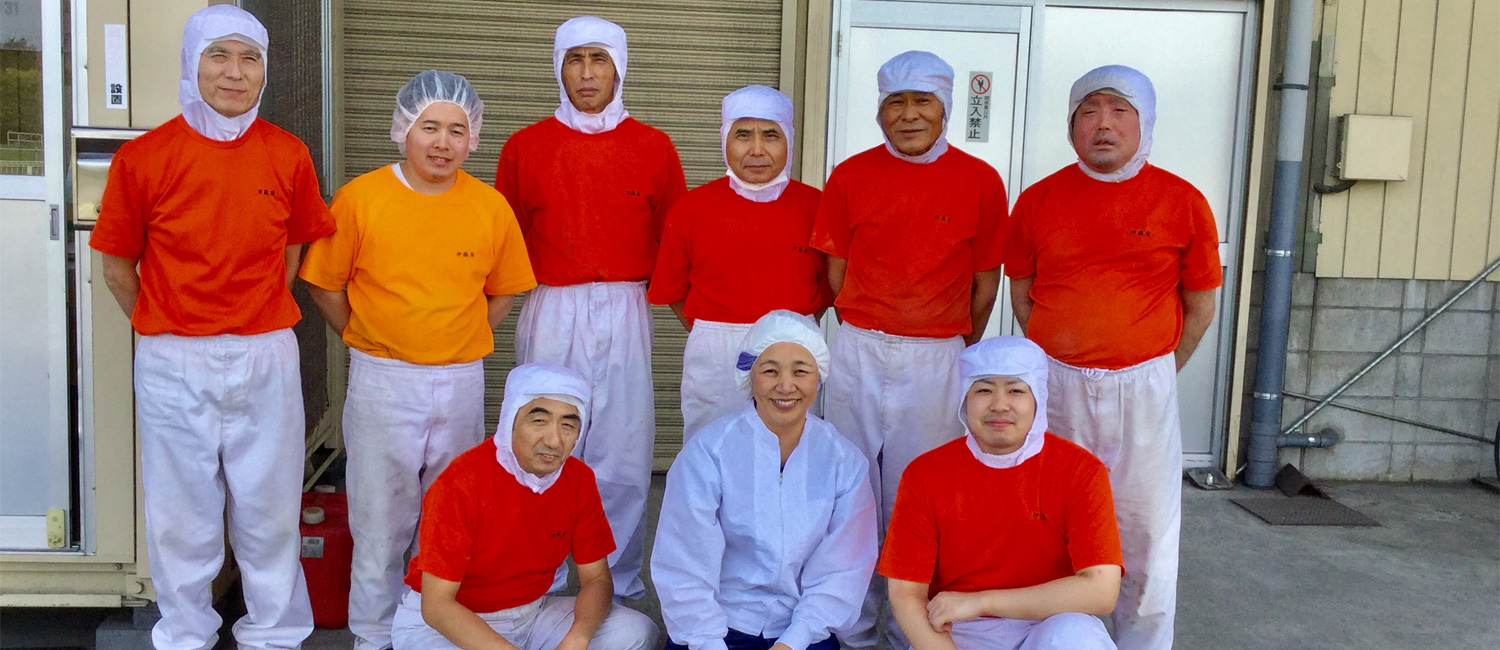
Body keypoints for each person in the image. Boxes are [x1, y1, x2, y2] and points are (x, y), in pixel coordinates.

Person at [89, 6, 334, 649]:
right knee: (181, 515)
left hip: (265, 352)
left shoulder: (287, 153)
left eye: (250, 59)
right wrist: (169, 325)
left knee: (270, 510)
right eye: (218, 56)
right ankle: (185, 634)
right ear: (191, 64)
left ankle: (274, 635)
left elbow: (292, 252)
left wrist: (247, 313)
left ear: (264, 71)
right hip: (173, 357)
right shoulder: (145, 158)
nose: (234, 72)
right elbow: (116, 268)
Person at [299, 69, 537, 650]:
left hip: (460, 381)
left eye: (457, 130)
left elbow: (503, 292)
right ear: (403, 128)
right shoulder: (361, 199)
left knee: (450, 519)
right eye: (429, 127)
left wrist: (456, 339)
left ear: (473, 138)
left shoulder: (489, 207)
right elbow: (324, 283)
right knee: (380, 519)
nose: (442, 142)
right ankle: (374, 634)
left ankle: (431, 632)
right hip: (383, 379)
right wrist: (366, 335)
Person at [1005, 65, 1222, 650]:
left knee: (1145, 530)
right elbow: (1023, 295)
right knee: (1049, 522)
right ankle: (1054, 639)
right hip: (1056, 387)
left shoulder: (1182, 201)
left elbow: (1200, 305)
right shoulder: (1038, 200)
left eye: (1119, 110)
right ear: (1071, 124)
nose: (1103, 124)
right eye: (1089, 111)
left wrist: (1155, 367)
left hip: (1143, 388)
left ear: (1144, 121)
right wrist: (1064, 354)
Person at [807, 50, 1008, 649]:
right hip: (859, 349)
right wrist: (866, 323)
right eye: (896, 102)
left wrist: (952, 343)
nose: (909, 115)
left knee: (919, 495)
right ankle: (853, 628)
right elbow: (835, 273)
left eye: (923, 102)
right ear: (880, 111)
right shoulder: (850, 176)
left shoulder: (979, 181)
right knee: (850, 490)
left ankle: (912, 630)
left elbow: (986, 284)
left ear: (945, 109)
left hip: (936, 356)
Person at [495, 15, 687, 599]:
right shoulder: (526, 146)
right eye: (574, 59)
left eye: (599, 59)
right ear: (558, 68)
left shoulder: (653, 147)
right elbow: (504, 240)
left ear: (619, 69)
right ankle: (541, 575)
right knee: (544, 441)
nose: (586, 73)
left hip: (628, 305)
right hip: (551, 305)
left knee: (623, 448)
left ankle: (616, 580)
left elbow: (675, 241)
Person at [390, 363, 660, 650]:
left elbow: (596, 579)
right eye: (539, 421)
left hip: (532, 615)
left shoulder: (578, 479)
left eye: (568, 425)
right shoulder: (460, 483)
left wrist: (577, 639)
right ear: (509, 420)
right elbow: (437, 606)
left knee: (635, 632)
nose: (554, 440)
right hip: (449, 624)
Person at [653, 310, 878, 650]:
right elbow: (683, 565)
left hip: (802, 631)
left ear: (818, 377)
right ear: (749, 376)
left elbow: (843, 570)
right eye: (770, 370)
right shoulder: (708, 452)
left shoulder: (844, 462)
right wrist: (708, 642)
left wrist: (794, 641)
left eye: (801, 371)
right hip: (716, 628)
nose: (786, 386)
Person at [880, 336, 1122, 650]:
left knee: (1078, 639)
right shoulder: (924, 474)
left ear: (1038, 397)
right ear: (964, 399)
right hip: (957, 629)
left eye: (1015, 390)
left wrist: (982, 601)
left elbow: (1101, 591)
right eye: (983, 390)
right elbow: (905, 595)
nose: (999, 405)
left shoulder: (1081, 471)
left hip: (1049, 620)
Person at [648, 86, 830, 440]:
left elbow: (827, 288)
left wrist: (793, 330)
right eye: (743, 134)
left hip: (794, 351)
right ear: (725, 140)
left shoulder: (817, 207)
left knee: (792, 448)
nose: (757, 149)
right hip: (715, 353)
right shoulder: (690, 209)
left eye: (771, 135)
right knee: (713, 448)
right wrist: (715, 332)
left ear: (789, 140)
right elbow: (673, 290)